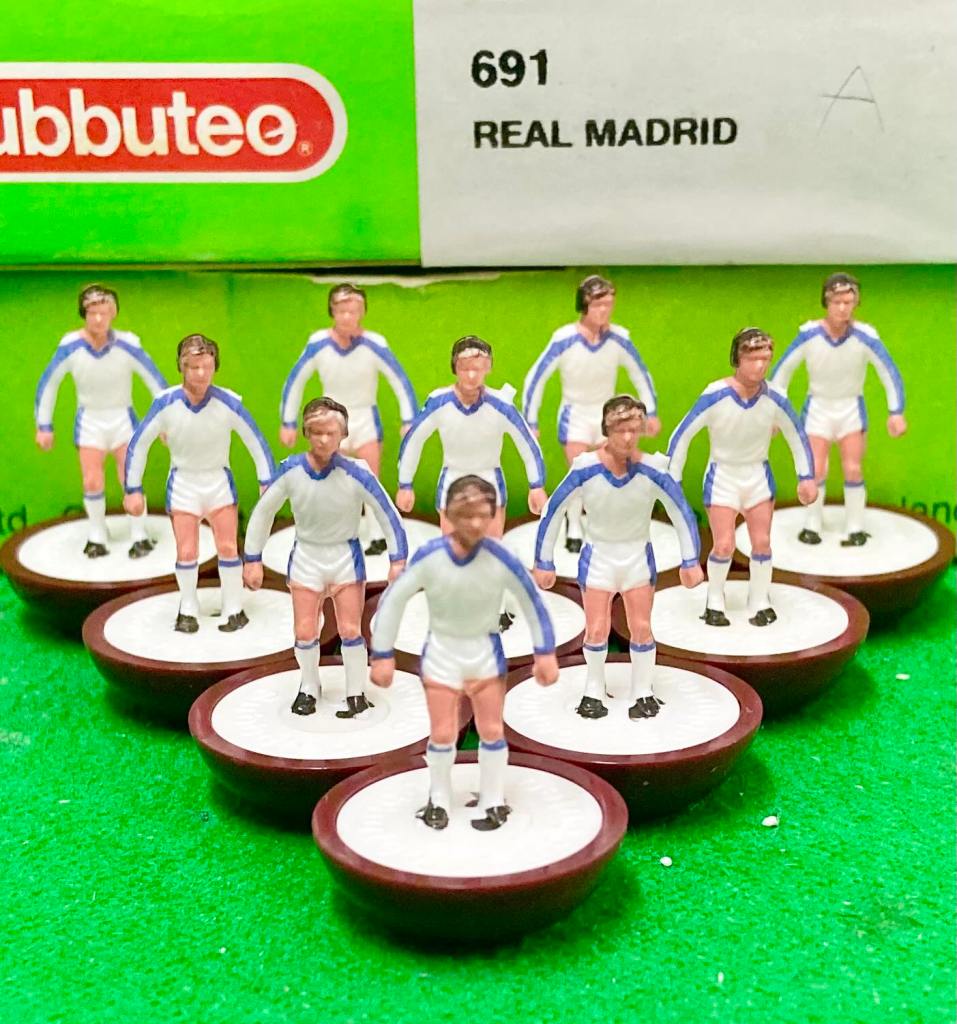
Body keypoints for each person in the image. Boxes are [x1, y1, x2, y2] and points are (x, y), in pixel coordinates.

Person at [370, 475, 559, 832]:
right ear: (448, 514)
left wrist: (544, 652)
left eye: (482, 515)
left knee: (491, 729)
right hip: (442, 656)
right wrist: (382, 653)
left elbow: (532, 602)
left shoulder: (503, 558)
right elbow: (394, 600)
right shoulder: (430, 557)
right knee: (443, 733)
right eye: (465, 515)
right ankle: (439, 797)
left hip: (485, 657)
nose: (474, 523)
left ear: (493, 515)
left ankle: (492, 798)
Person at [534, 396, 703, 720]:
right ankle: (593, 688)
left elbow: (680, 511)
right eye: (620, 430)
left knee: (641, 626)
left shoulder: (653, 470)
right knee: (597, 629)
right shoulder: (585, 468)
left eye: (633, 430)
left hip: (637, 559)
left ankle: (642, 690)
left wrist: (690, 559)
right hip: (598, 558)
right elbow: (553, 511)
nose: (627, 437)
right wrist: (544, 561)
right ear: (606, 430)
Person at [243, 397, 407, 717]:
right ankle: (308, 685)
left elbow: (387, 513)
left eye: (330, 433)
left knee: (350, 630)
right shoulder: (291, 471)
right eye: (316, 432)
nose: (323, 440)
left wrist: (398, 559)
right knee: (305, 630)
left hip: (345, 558)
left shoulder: (357, 473)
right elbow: (263, 513)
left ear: (342, 434)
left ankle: (356, 691)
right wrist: (252, 558)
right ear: (306, 432)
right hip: (307, 558)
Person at [123, 334, 275, 633]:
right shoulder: (165, 404)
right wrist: (133, 488)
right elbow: (139, 445)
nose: (201, 374)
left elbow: (255, 441)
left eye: (207, 366)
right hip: (183, 484)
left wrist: (266, 480)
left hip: (218, 483)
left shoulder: (228, 403)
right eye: (194, 367)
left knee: (228, 547)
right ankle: (188, 606)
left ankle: (233, 606)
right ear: (182, 367)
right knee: (187, 551)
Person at [667, 329, 817, 627]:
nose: (760, 366)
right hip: (723, 477)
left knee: (761, 542)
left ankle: (759, 599)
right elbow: (683, 434)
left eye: (765, 359)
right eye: (752, 358)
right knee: (724, 544)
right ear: (737, 358)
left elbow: (796, 435)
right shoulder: (715, 395)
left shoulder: (775, 397)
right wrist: (673, 476)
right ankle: (714, 599)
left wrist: (806, 476)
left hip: (758, 477)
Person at [522, 275, 660, 552]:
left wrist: (651, 411)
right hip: (575, 413)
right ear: (584, 305)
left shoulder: (619, 338)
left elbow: (640, 373)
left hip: (607, 415)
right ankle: (574, 523)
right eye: (598, 305)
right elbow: (536, 378)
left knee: (612, 471)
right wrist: (530, 420)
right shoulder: (564, 339)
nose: (604, 311)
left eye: (609, 304)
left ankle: (607, 525)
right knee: (578, 472)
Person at [278, 283, 418, 555]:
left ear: (362, 312)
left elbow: (399, 380)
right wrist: (288, 421)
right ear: (332, 311)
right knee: (335, 480)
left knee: (370, 479)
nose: (347, 317)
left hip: (365, 418)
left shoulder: (374, 344)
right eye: (341, 311)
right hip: (331, 420)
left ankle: (377, 534)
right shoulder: (318, 344)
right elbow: (295, 381)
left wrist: (409, 418)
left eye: (353, 311)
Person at [770, 273, 907, 546]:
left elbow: (888, 372)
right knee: (816, 470)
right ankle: (812, 524)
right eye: (837, 302)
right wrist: (774, 413)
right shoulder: (809, 335)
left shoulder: (865, 337)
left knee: (853, 469)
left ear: (856, 303)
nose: (842, 308)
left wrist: (896, 410)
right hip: (818, 409)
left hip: (850, 410)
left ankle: (855, 526)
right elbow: (782, 372)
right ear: (826, 302)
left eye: (848, 301)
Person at [34, 284, 167, 558]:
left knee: (129, 478)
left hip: (122, 420)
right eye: (92, 313)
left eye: (104, 313)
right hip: (90, 422)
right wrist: (44, 424)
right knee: (92, 481)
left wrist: (166, 420)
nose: (98, 319)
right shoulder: (70, 346)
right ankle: (97, 534)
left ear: (112, 314)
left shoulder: (128, 345)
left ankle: (139, 533)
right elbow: (49, 383)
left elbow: (154, 380)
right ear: (84, 314)